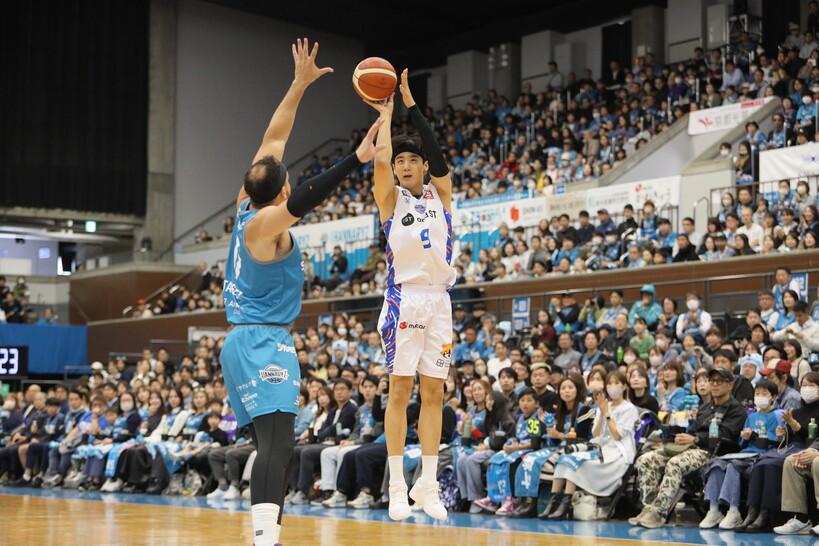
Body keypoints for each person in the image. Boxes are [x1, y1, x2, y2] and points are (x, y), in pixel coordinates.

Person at [218, 38, 383, 546]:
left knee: (273, 445)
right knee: (278, 444)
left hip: (245, 340)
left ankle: (268, 529)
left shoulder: (247, 201)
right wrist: (356, 158)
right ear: (282, 190)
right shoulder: (264, 222)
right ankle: (265, 538)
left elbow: (275, 136)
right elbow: (309, 197)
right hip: (262, 340)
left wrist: (298, 85)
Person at [366, 70, 455, 521]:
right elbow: (380, 161)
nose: (403, 165)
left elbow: (437, 152)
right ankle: (398, 486)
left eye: (411, 161)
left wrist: (411, 105)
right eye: (400, 160)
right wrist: (386, 117)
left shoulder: (442, 195)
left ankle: (428, 483)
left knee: (435, 392)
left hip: (440, 300)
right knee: (400, 389)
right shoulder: (391, 201)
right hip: (405, 298)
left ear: (423, 167)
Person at [631, 368, 746, 528]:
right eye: (712, 381)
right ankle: (648, 509)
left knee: (675, 463)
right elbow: (692, 431)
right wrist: (681, 437)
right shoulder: (705, 408)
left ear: (730, 385)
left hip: (712, 453)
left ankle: (659, 513)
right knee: (645, 459)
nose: (714, 385)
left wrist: (696, 439)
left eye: (719, 381)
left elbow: (727, 436)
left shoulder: (737, 410)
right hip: (689, 448)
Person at [544, 371, 639, 519]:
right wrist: (601, 413)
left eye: (616, 383)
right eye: (609, 383)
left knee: (575, 462)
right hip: (601, 448)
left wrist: (607, 414)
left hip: (618, 455)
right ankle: (554, 502)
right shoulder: (604, 405)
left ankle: (566, 505)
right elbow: (596, 434)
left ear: (625, 386)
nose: (613, 386)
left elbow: (617, 435)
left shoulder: (629, 409)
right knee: (565, 459)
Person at [699, 379, 784, 529]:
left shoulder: (777, 416)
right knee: (717, 464)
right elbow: (741, 443)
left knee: (733, 466)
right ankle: (714, 509)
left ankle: (734, 510)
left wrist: (754, 436)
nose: (760, 397)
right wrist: (745, 437)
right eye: (757, 393)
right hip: (745, 453)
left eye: (764, 394)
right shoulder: (751, 417)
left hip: (762, 455)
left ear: (774, 397)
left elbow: (776, 442)